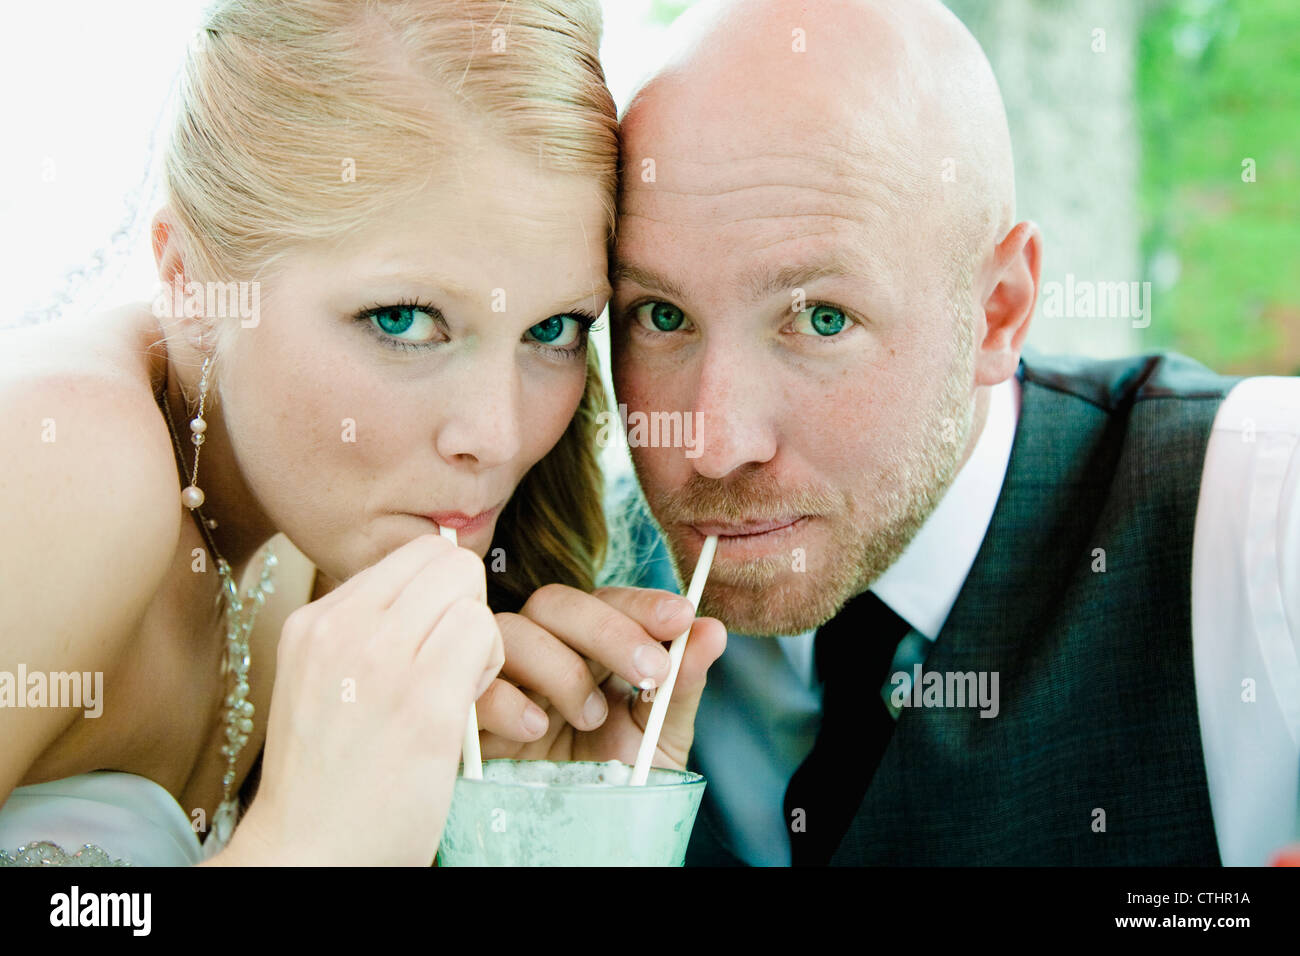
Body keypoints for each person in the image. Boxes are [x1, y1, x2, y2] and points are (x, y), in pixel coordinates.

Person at [494, 0, 1299, 866]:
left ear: (998, 313)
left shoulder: (1259, 514)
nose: (715, 444)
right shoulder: (562, 601)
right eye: (660, 315)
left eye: (823, 320)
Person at [0, 0, 723, 868]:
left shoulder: (324, 532)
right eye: (404, 320)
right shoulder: (69, 464)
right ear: (186, 275)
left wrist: (533, 837)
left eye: (553, 331)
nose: (495, 436)